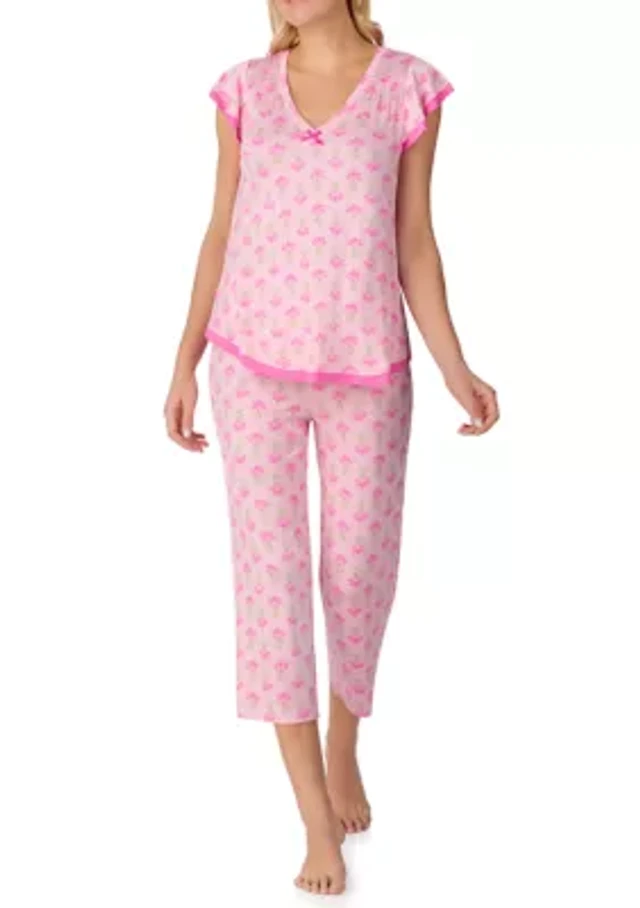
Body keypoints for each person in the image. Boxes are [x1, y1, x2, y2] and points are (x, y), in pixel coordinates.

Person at [164, 0, 499, 896]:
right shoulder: (243, 91)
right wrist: (185, 359)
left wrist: (455, 366)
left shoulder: (408, 90)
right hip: (250, 363)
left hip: (368, 367)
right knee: (271, 587)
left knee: (356, 573)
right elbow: (220, 231)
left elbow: (414, 242)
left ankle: (345, 743)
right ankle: (313, 814)